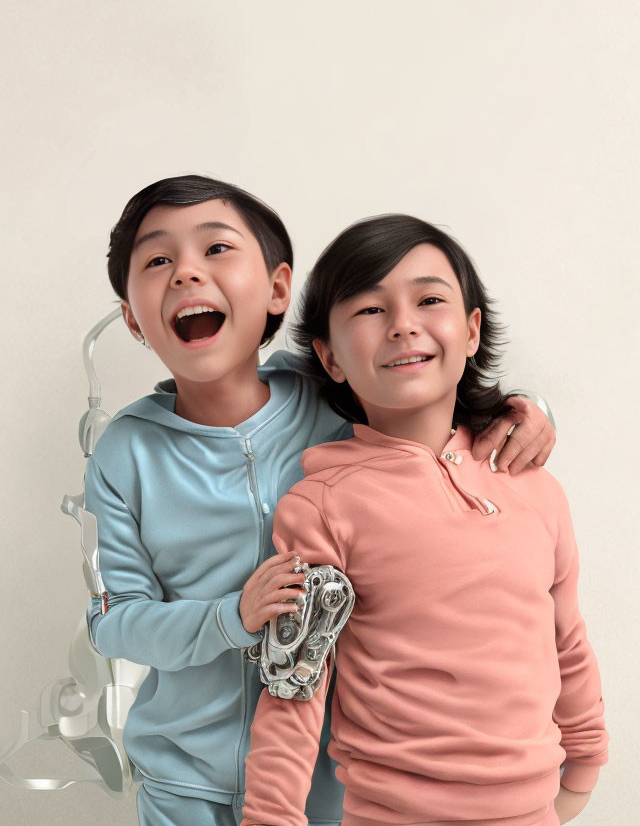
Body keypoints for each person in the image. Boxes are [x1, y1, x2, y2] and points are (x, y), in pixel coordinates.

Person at [86, 177, 557, 826]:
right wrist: (231, 617)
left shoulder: (324, 385)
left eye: (217, 248)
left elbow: (424, 399)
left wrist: (528, 410)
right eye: (158, 260)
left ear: (278, 287)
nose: (187, 273)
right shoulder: (122, 453)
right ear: (133, 317)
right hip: (185, 783)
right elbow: (112, 622)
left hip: (332, 776)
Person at [240, 215, 608, 826]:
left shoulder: (536, 488)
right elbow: (294, 684)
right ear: (329, 358)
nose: (403, 324)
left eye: (428, 299)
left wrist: (588, 756)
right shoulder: (323, 505)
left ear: (470, 331)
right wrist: (270, 816)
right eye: (369, 309)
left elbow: (565, 636)